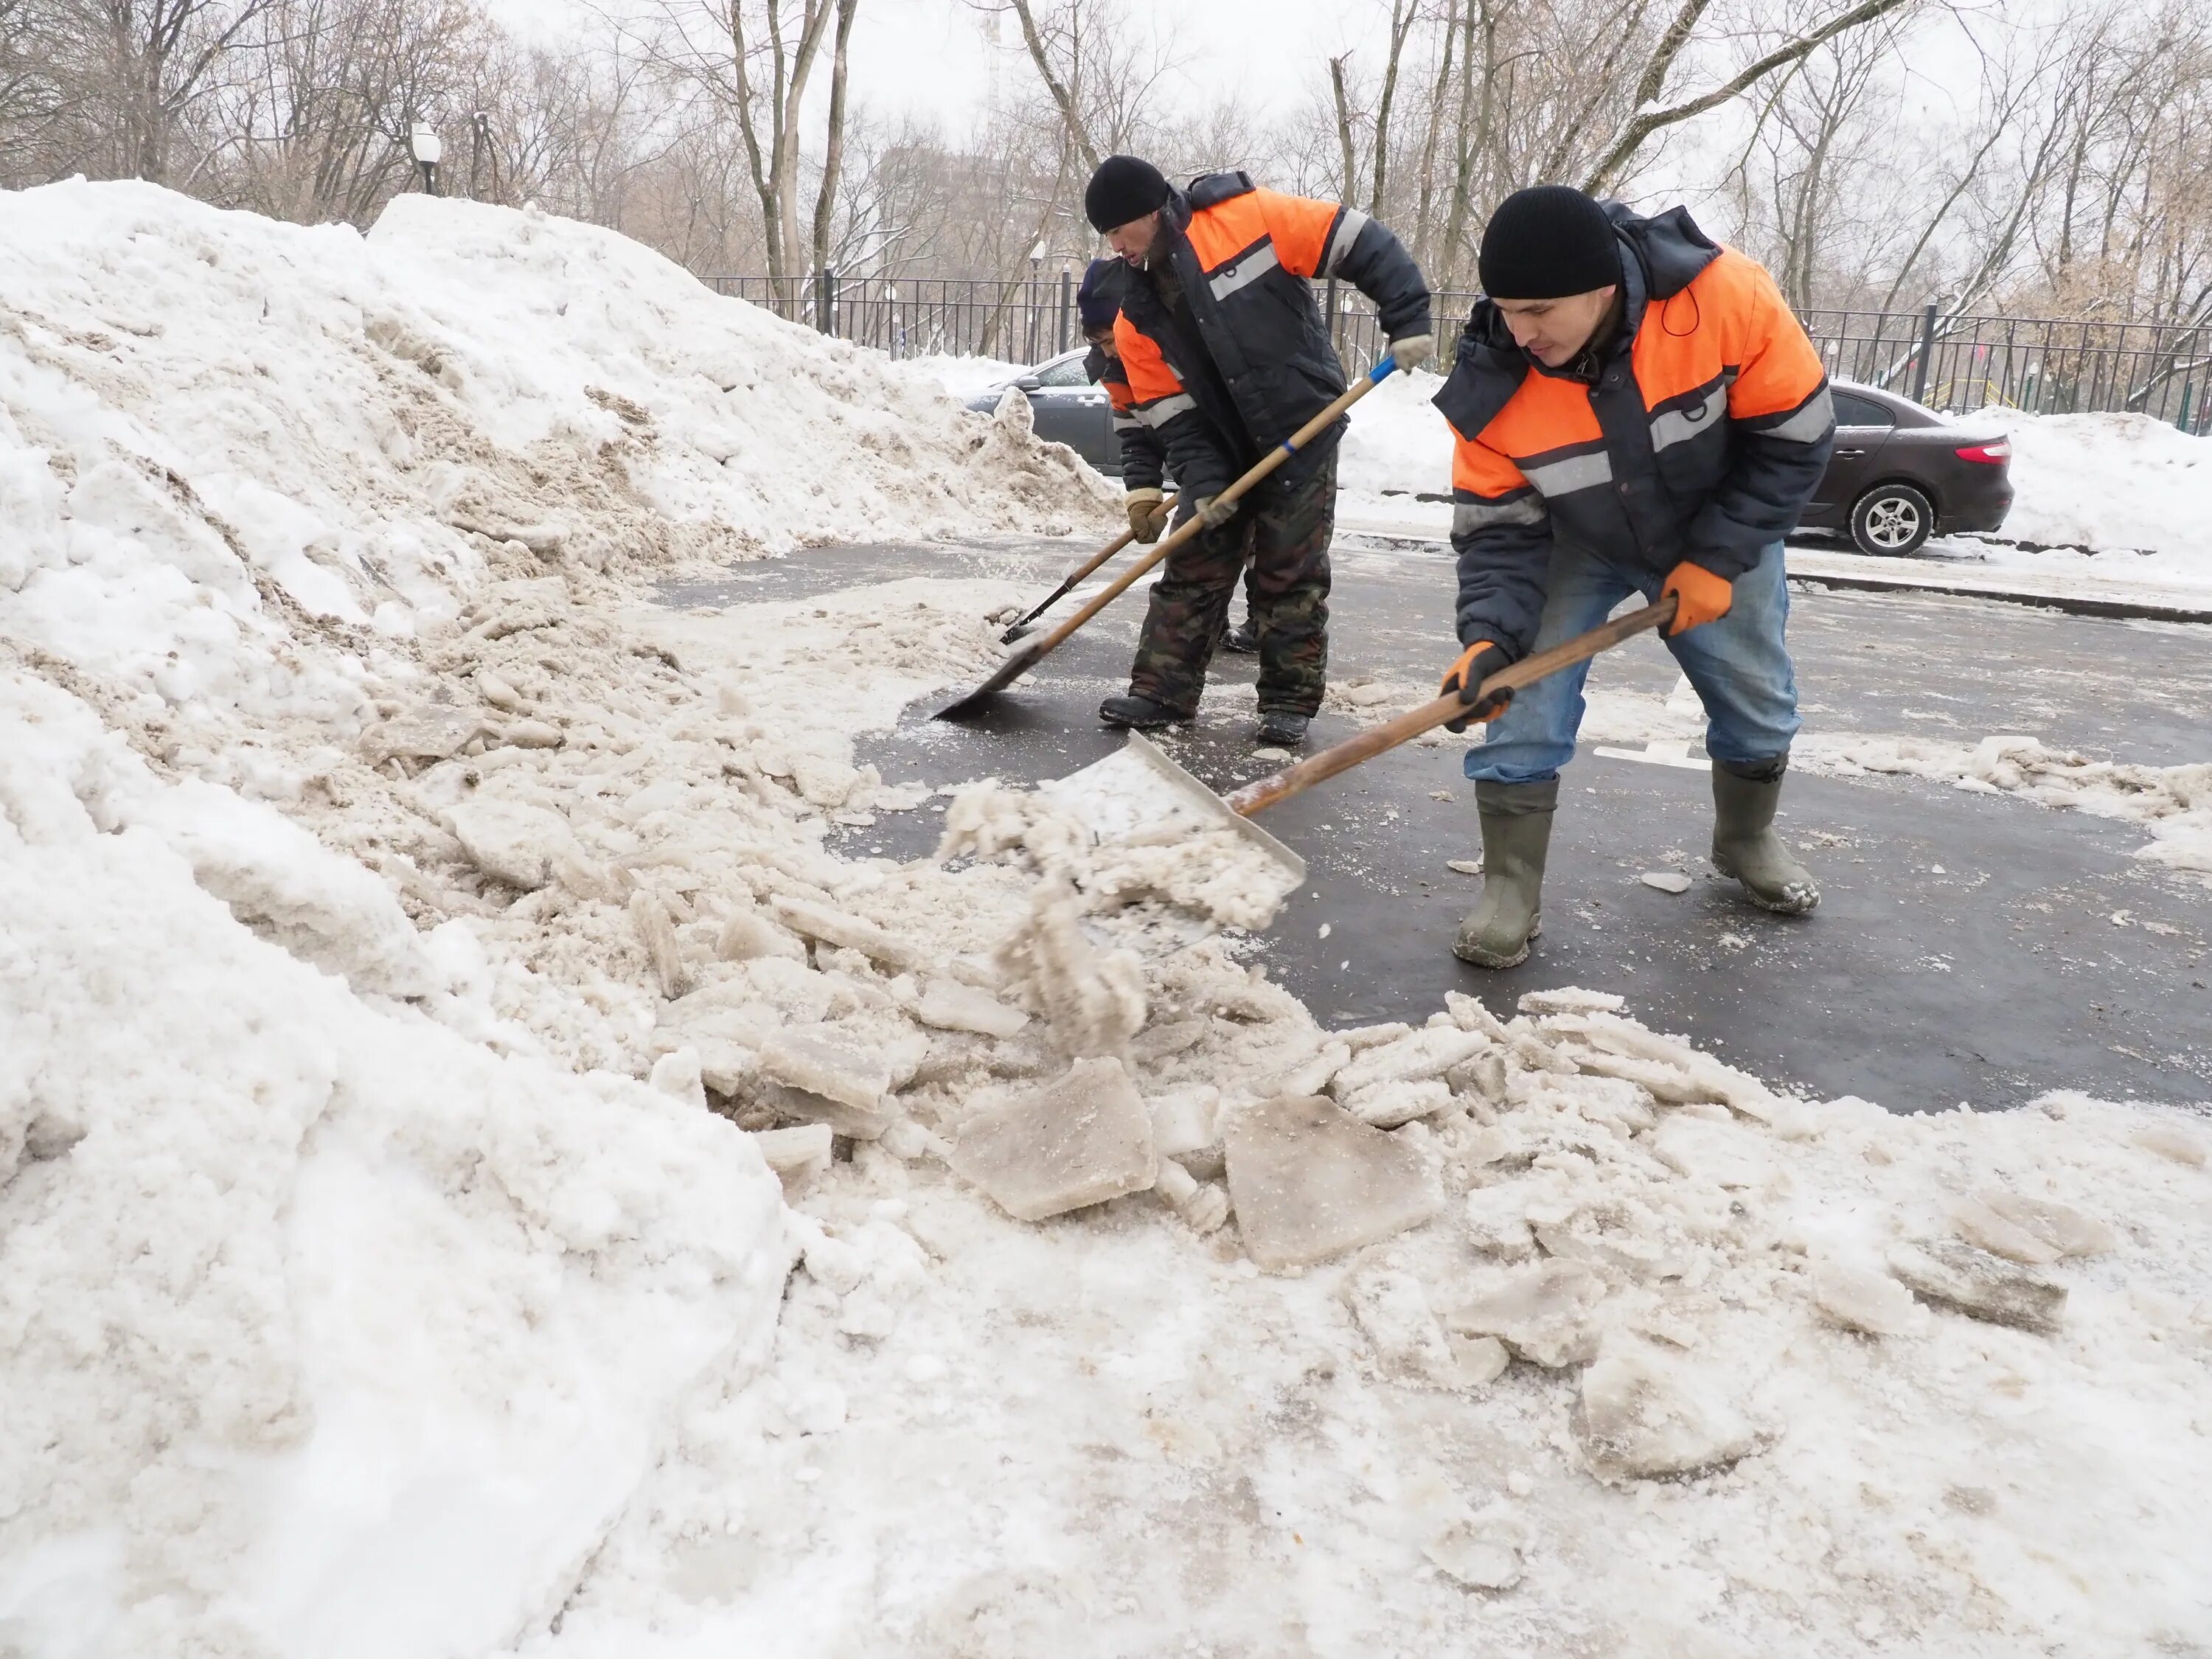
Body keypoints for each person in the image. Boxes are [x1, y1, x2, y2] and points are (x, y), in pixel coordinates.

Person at [1434, 184, 1835, 967]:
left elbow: (1798, 438)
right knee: (1520, 694)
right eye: (1507, 309)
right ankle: (1511, 887)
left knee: (1755, 692)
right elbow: (1498, 535)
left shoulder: (1725, 298)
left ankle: (1746, 840)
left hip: (1718, 521)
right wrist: (1488, 637)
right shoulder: (1493, 382)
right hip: (1572, 538)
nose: (1520, 333)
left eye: (1540, 311)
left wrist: (1719, 557)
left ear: (1604, 287)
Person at [1084, 155, 1433, 748]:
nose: (1116, 246)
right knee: (1193, 562)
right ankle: (1161, 693)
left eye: (1120, 230)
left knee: (1287, 570)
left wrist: (1408, 318)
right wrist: (1205, 481)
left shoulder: (1249, 218)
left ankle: (1287, 702)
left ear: (1149, 211)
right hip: (1219, 440)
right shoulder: (1132, 317)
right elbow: (1171, 416)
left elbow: (1359, 240)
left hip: (1301, 421)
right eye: (1108, 237)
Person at [1078, 257, 1260, 653]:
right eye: (1099, 344)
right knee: (1195, 555)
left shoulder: (1180, 348)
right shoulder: (1115, 370)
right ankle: (1209, 626)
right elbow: (1135, 436)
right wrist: (1144, 494)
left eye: (1112, 338)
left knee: (1264, 553)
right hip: (1197, 467)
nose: (1109, 352)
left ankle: (1267, 628)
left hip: (1250, 454)